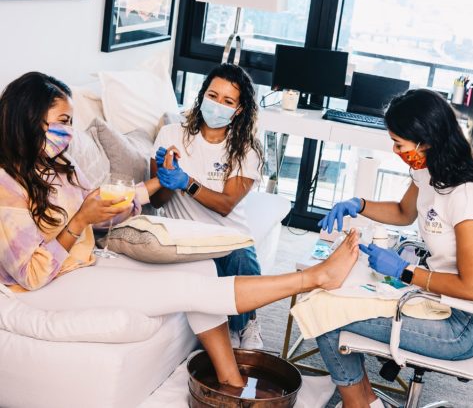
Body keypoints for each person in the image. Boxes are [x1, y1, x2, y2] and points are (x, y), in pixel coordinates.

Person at [0, 71, 361, 391]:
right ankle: (311, 279)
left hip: (79, 264)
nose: (71, 132)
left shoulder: (57, 166)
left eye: (71, 121)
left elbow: (94, 216)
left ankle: (230, 382)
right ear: (30, 120)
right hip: (39, 287)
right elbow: (32, 274)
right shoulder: (6, 187)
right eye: (64, 121)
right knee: (189, 288)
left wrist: (126, 201)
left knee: (202, 269)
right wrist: (81, 219)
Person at [317, 89, 473, 408]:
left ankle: (359, 403)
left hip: (466, 324)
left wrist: (404, 271)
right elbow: (403, 212)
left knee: (326, 318)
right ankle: (364, 403)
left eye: (399, 143)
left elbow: (471, 288)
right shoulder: (430, 171)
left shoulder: (467, 196)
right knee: (338, 297)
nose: (395, 149)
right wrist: (357, 204)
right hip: (441, 300)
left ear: (425, 140)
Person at [150, 63, 266, 349]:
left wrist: (186, 181)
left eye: (228, 101)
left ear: (239, 110)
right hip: (184, 236)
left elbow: (226, 205)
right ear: (202, 96)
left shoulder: (247, 149)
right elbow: (156, 201)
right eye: (213, 96)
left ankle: (247, 323)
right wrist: (167, 177)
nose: (217, 105)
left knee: (243, 260)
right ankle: (228, 330)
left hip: (228, 236)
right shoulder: (170, 135)